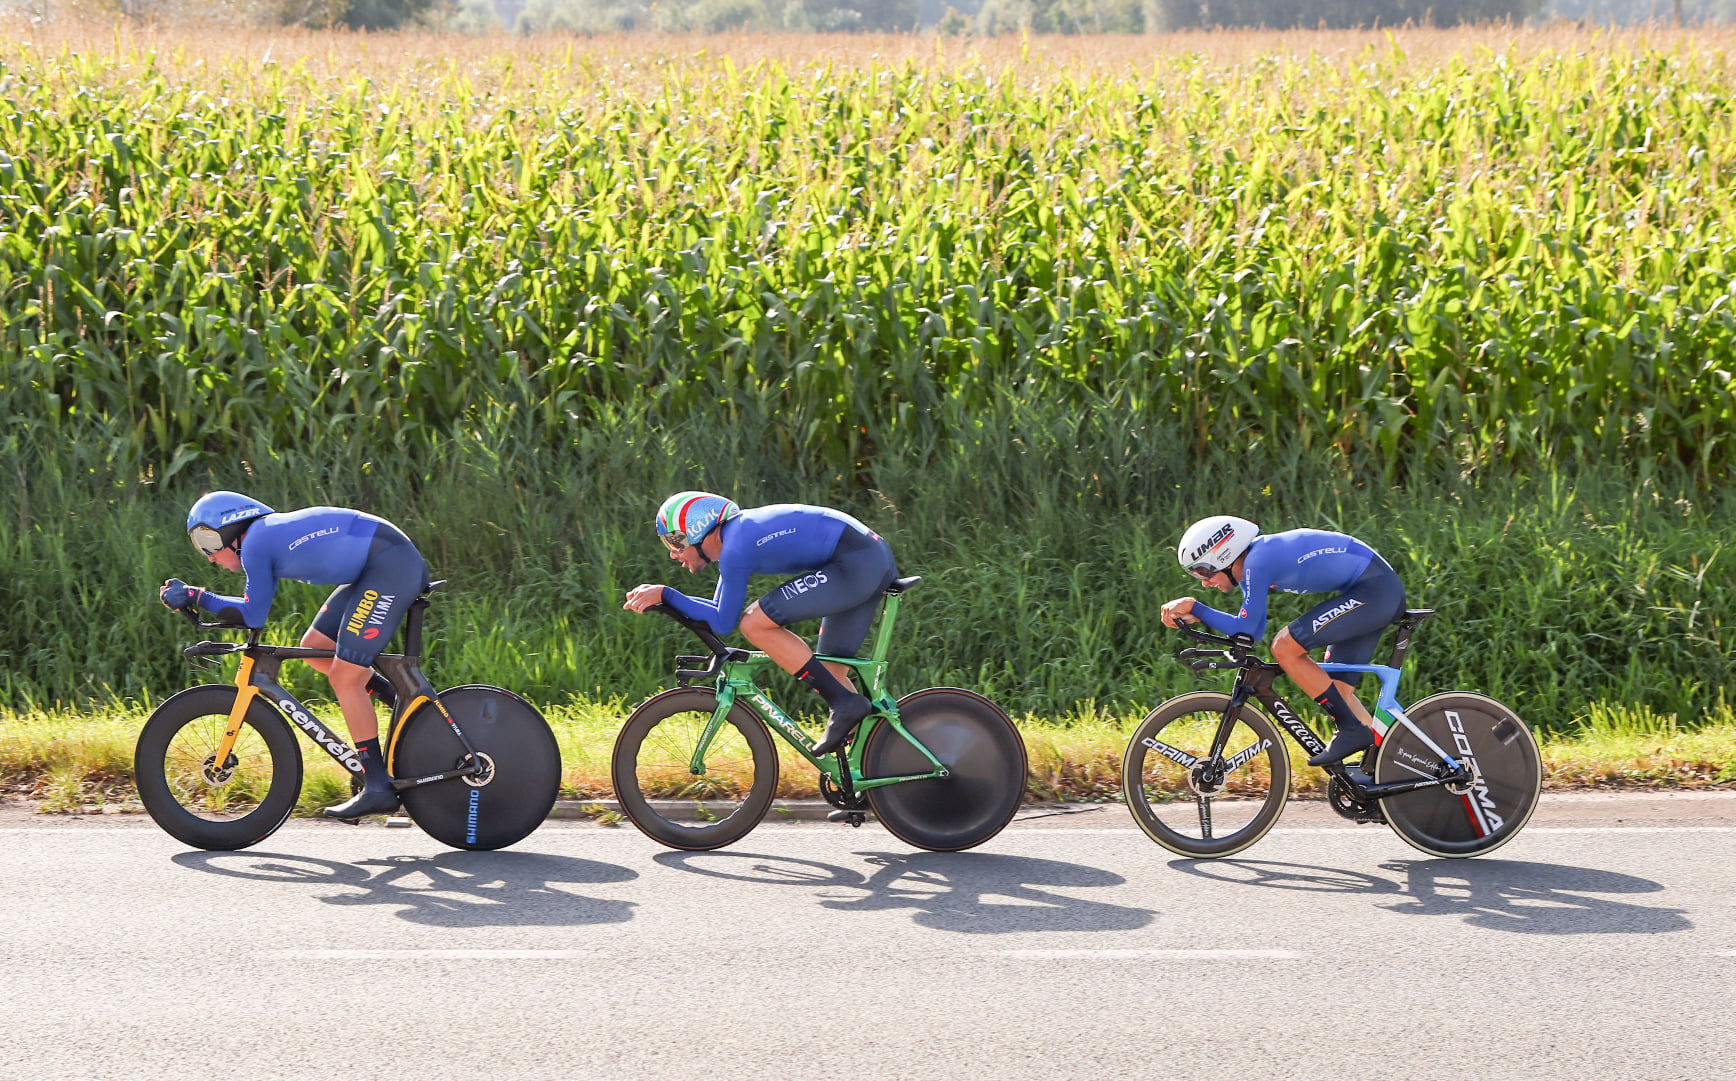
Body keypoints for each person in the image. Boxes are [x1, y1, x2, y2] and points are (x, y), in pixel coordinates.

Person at [159, 491, 430, 818]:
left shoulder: (257, 540)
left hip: (389, 565)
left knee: (345, 676)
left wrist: (196, 595)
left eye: (208, 541)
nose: (209, 556)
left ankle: (377, 787)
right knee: (315, 648)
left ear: (230, 528)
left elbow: (253, 615)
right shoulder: (263, 536)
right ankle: (406, 707)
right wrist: (199, 597)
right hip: (379, 565)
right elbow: (252, 610)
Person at [622, 492, 898, 756]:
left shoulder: (736, 546)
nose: (673, 552)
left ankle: (845, 704)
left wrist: (666, 594)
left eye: (675, 541)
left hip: (857, 562)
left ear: (697, 530)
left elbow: (723, 621)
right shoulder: (736, 539)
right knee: (830, 672)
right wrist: (665, 597)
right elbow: (718, 613)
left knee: (754, 623)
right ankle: (871, 769)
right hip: (866, 558)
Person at [1158, 515, 1405, 767]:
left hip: (1375, 591)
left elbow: (1246, 627)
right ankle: (1394, 765)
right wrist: (1199, 616)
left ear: (1224, 557)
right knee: (1338, 694)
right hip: (1371, 592)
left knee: (1284, 646)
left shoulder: (1259, 559)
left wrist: (1196, 608)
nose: (1204, 582)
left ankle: (1353, 732)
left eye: (1203, 571)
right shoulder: (1252, 565)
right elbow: (1251, 632)